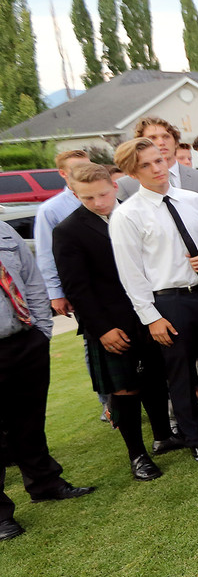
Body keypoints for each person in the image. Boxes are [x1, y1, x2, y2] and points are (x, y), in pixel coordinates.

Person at [109, 137, 198, 463]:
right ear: (133, 172)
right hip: (168, 303)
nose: (157, 168)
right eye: (146, 165)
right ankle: (195, 436)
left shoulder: (192, 199)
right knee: (181, 374)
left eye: (159, 159)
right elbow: (131, 274)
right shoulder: (127, 215)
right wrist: (151, 317)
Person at [53, 163, 178, 482]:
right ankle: (137, 455)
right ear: (74, 193)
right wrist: (102, 330)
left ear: (115, 185)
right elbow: (77, 288)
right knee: (125, 389)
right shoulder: (68, 230)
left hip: (150, 314)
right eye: (87, 198)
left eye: (103, 194)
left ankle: (165, 437)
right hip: (110, 324)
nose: (97, 202)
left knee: (154, 380)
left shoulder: (136, 213)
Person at [0, 217, 94, 542]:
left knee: (29, 420)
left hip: (25, 340)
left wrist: (42, 330)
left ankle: (46, 484)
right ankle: (1, 516)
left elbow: (32, 278)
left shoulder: (4, 231)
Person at [116, 117, 198, 213]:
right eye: (153, 138)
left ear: (176, 142)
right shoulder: (126, 185)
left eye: (166, 136)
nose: (161, 142)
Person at [34, 149, 92, 319]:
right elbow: (46, 253)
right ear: (63, 173)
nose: (84, 172)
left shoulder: (107, 197)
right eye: (76, 169)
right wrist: (56, 293)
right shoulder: (50, 209)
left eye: (87, 167)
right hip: (81, 286)